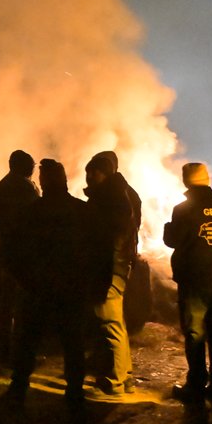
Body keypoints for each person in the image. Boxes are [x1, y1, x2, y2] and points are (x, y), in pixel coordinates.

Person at [6, 159, 95, 404]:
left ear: (43, 182)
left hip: (37, 290)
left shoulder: (30, 213)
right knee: (72, 342)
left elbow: (11, 253)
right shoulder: (82, 211)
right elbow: (95, 252)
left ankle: (18, 386)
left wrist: (26, 282)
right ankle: (75, 391)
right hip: (70, 290)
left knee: (27, 339)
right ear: (64, 180)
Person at [163, 163, 212, 403]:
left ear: (186, 181)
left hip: (192, 278)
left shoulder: (183, 209)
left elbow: (172, 240)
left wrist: (167, 228)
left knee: (194, 331)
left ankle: (196, 383)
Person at [83, 151, 139, 395]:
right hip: (115, 265)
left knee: (109, 322)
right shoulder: (122, 194)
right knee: (116, 321)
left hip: (108, 268)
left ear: (105, 173)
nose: (89, 177)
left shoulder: (111, 198)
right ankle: (123, 375)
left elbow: (108, 236)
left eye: (93, 172)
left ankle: (114, 381)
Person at [0, 149, 40, 368]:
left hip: (7, 252)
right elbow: (37, 218)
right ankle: (20, 353)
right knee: (22, 306)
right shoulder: (25, 188)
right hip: (24, 255)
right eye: (31, 165)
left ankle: (3, 350)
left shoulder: (0, 188)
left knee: (5, 305)